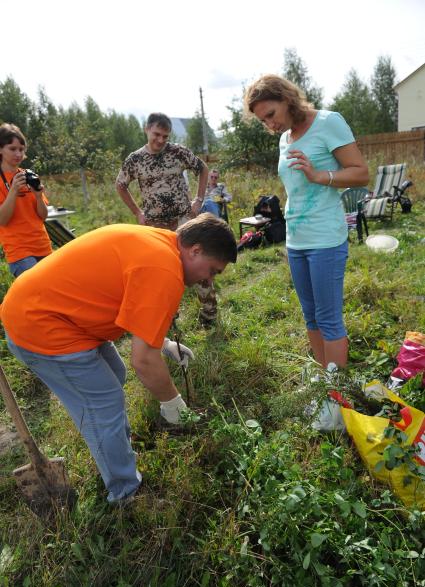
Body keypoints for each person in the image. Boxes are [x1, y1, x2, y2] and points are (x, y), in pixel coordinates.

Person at [1, 215, 237, 503]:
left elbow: (131, 298)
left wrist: (160, 342)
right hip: (40, 325)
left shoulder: (160, 244)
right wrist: (174, 404)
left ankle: (116, 448)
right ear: (195, 250)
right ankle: (125, 492)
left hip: (54, 311)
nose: (208, 280)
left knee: (115, 376)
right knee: (104, 402)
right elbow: (144, 361)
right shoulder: (164, 268)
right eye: (212, 270)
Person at [245, 74, 369, 368]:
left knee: (328, 319)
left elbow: (361, 173)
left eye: (271, 115)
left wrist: (320, 176)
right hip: (296, 239)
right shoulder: (285, 138)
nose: (270, 125)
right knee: (310, 316)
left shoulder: (328, 123)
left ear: (288, 99)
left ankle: (336, 395)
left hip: (325, 238)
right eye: (263, 121)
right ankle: (324, 382)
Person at [116, 113, 218, 327]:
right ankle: (169, 318)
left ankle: (209, 315)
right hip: (155, 226)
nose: (161, 140)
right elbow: (121, 185)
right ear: (147, 130)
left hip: (184, 220)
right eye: (157, 134)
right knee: (161, 273)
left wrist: (199, 199)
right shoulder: (135, 159)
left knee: (198, 265)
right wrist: (137, 212)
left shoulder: (177, 152)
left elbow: (202, 169)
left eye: (165, 135)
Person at [0, 123, 52, 278]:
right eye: (12, 148)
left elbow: (43, 216)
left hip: (43, 246)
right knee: (39, 288)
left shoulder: (29, 175)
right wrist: (14, 190)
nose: (18, 154)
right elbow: (3, 220)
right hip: (20, 252)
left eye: (21, 149)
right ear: (0, 149)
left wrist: (38, 196)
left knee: (52, 292)